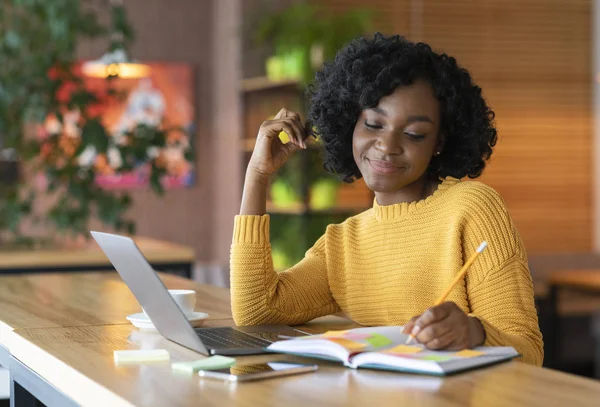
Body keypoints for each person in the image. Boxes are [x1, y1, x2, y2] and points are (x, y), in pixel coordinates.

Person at [230, 33, 543, 366]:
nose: (387, 144)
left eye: (413, 134)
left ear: (439, 141)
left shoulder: (471, 208)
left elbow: (528, 350)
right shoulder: (344, 243)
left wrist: (474, 331)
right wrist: (258, 176)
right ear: (350, 124)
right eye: (374, 124)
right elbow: (256, 310)